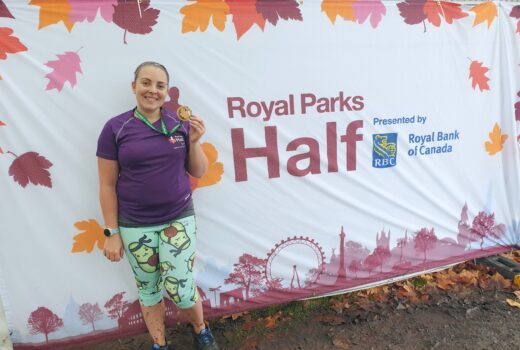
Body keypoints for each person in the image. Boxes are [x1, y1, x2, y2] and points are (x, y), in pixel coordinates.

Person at [96, 61, 218, 350]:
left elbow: (198, 171)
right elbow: (106, 185)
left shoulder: (179, 124)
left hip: (178, 218)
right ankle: (159, 344)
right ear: (134, 86)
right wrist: (111, 233)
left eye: (159, 85)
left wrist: (195, 141)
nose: (152, 90)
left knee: (181, 288)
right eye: (146, 83)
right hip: (135, 224)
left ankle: (201, 329)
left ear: (167, 92)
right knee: (148, 289)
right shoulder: (115, 128)